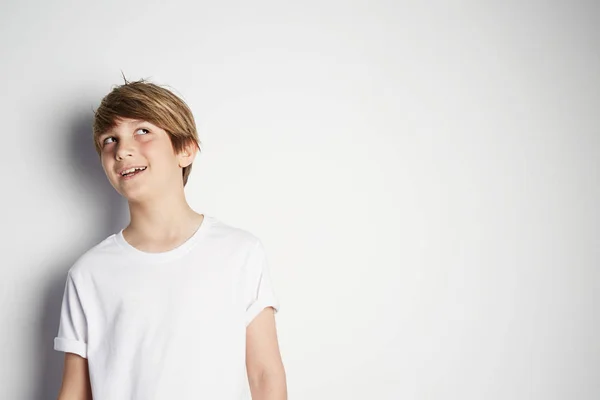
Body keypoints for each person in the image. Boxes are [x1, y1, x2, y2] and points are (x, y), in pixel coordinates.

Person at [53, 78, 287, 399]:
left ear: (185, 149)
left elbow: (265, 376)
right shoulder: (89, 273)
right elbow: (75, 391)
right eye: (110, 139)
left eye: (143, 131)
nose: (123, 150)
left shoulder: (239, 252)